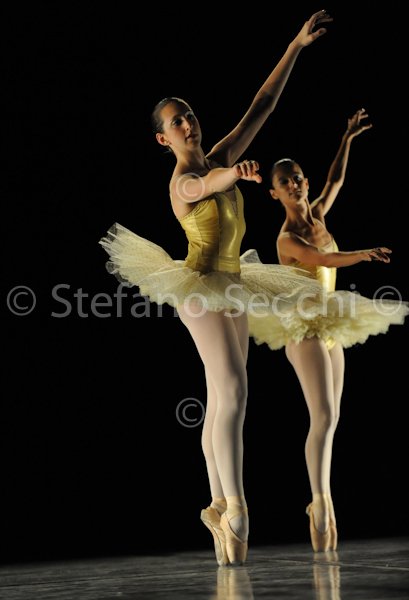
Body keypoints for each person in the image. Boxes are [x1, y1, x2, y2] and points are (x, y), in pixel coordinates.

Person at [99, 10, 333, 566]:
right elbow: (207, 184)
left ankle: (217, 505)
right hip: (199, 286)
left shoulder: (221, 154)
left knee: (222, 393)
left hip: (235, 280)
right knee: (233, 388)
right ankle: (236, 509)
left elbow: (262, 105)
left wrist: (296, 45)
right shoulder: (184, 180)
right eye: (176, 122)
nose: (188, 124)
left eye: (189, 115)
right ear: (163, 138)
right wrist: (234, 175)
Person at [250, 108, 409, 552]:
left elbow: (336, 180)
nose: (295, 184)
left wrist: (347, 138)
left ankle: (323, 498)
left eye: (298, 177)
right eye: (286, 182)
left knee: (333, 417)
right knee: (321, 416)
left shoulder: (318, 214)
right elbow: (323, 260)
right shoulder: (286, 238)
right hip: (303, 328)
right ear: (275, 193)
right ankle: (320, 501)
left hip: (331, 323)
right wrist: (362, 254)